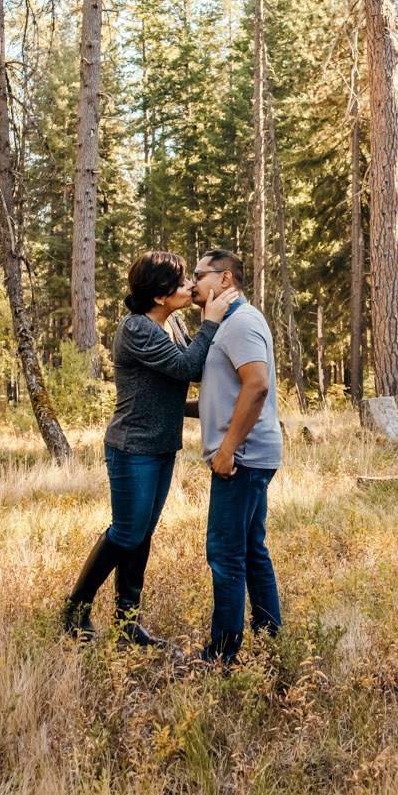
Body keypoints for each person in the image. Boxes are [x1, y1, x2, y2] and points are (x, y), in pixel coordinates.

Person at [62, 250, 235, 645]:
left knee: (142, 534)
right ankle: (74, 611)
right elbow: (187, 368)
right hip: (132, 447)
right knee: (126, 532)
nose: (191, 287)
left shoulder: (171, 321)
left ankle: (127, 626)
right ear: (160, 295)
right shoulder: (137, 329)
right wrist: (210, 321)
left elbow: (198, 364)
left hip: (161, 446)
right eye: (182, 283)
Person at [190, 248, 283, 662]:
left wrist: (227, 449)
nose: (193, 284)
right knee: (250, 548)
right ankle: (269, 639)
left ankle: (222, 658)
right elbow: (224, 392)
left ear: (225, 280)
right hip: (251, 455)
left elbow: (257, 386)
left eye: (200, 275)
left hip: (241, 458)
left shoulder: (240, 322)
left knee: (226, 553)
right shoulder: (230, 323)